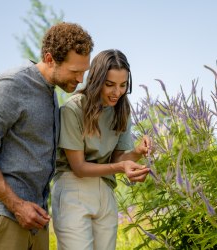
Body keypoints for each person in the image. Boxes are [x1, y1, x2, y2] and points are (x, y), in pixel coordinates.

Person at [0, 22, 94, 250]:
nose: (81, 79)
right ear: (51, 59)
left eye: (84, 71)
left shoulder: (50, 92)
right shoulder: (12, 83)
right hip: (4, 215)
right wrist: (17, 205)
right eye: (75, 71)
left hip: (34, 217)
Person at [52, 49, 151, 250]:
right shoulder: (73, 109)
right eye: (110, 85)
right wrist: (122, 167)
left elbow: (117, 159)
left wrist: (137, 152)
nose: (117, 92)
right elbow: (79, 167)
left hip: (105, 191)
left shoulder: (121, 110)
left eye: (123, 85)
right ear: (97, 80)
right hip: (74, 190)